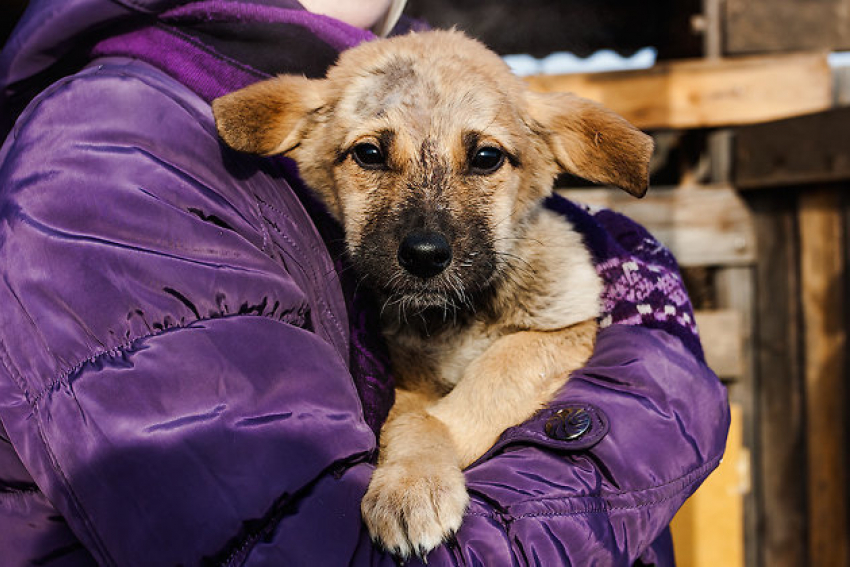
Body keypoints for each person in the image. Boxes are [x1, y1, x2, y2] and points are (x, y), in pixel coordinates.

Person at [0, 0, 729, 565]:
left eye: (482, 161)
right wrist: (653, 381)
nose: (426, 234)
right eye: (375, 155)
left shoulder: (404, 73)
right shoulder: (114, 154)